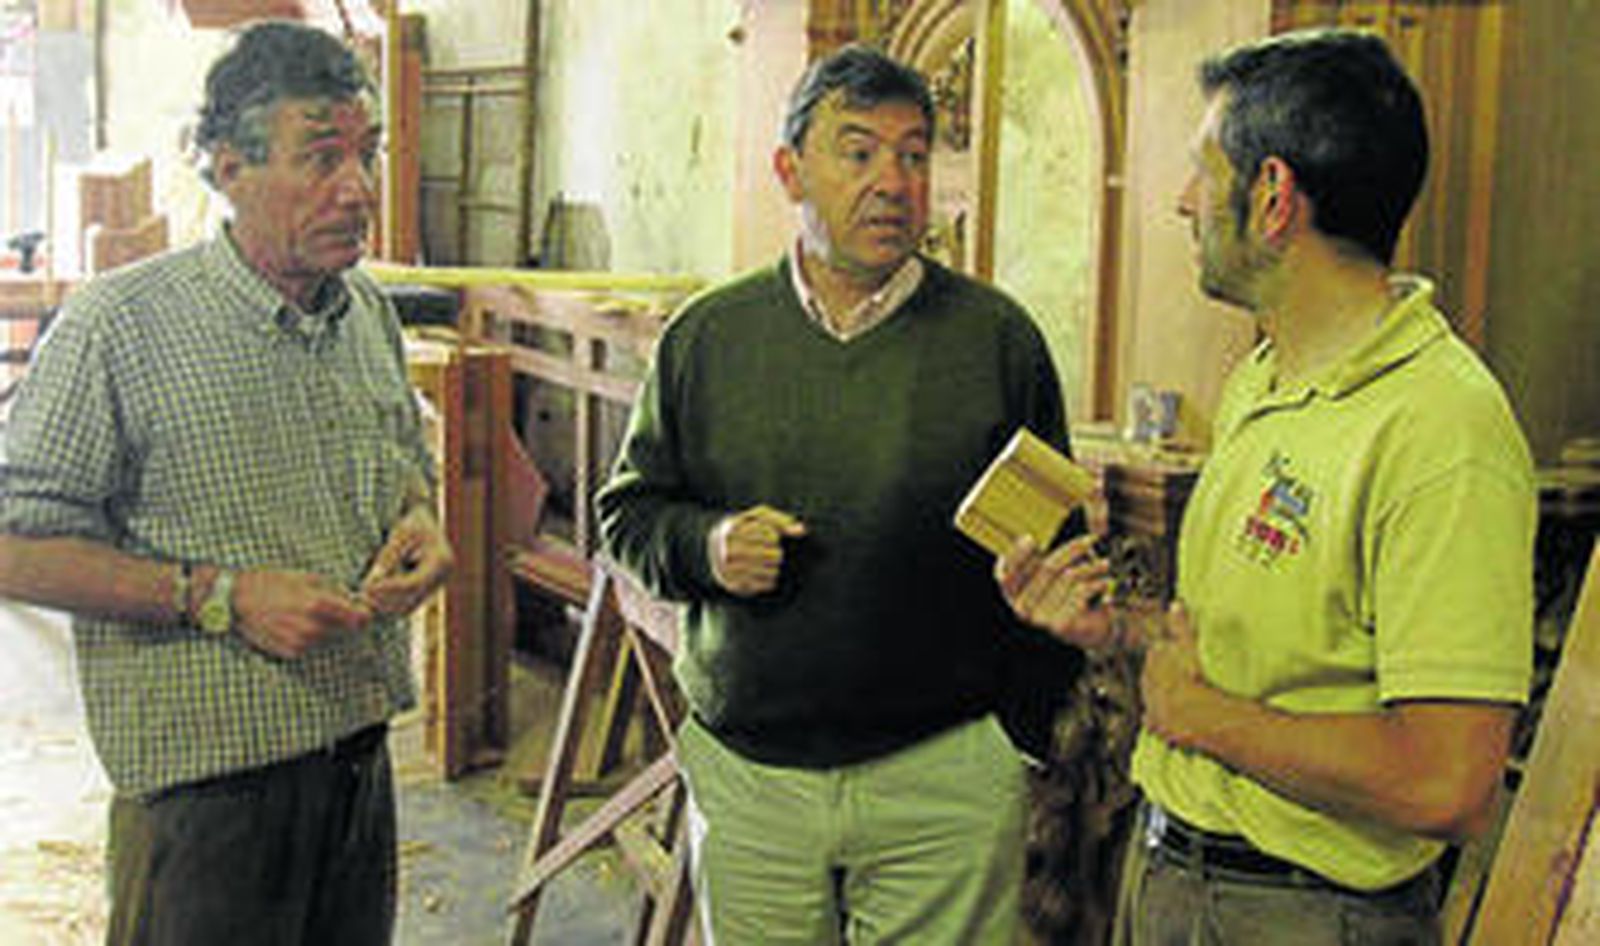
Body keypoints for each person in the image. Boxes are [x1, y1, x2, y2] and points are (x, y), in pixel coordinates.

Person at [999, 28, 1534, 945]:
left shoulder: (1443, 427)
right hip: (1174, 874)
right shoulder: (1262, 378)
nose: (1180, 201)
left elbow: (1448, 780)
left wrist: (1206, 721)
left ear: (1274, 196)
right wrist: (1113, 629)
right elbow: (1237, 666)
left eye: (1203, 170)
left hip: (1306, 914)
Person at [597, 43, 1091, 945]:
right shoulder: (708, 338)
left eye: (913, 154)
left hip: (944, 779)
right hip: (753, 780)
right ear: (791, 170)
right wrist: (705, 547)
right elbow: (626, 519)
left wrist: (1011, 742)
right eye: (858, 152)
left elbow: (1059, 559)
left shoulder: (997, 342)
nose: (894, 182)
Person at [0, 22, 451, 945]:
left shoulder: (362, 310)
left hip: (359, 774)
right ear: (227, 167)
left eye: (366, 155)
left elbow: (406, 468)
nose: (358, 189)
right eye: (321, 158)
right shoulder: (119, 328)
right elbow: (11, 548)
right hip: (209, 804)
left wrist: (423, 523)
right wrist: (220, 598)